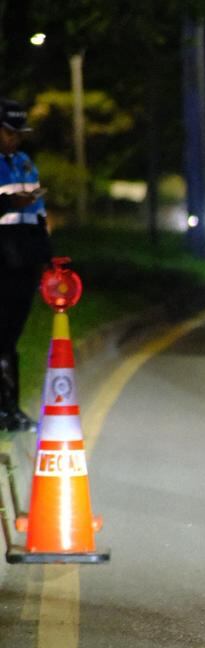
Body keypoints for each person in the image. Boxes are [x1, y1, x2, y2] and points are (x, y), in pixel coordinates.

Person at [0, 99, 48, 433]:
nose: (14, 140)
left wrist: (48, 257)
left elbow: (38, 214)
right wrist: (6, 203)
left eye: (18, 134)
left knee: (10, 339)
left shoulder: (25, 164)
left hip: (25, 263)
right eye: (8, 133)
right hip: (1, 262)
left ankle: (10, 409)